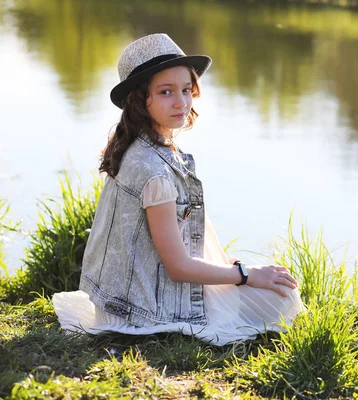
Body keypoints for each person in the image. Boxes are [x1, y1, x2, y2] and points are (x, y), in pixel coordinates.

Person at [52, 33, 304, 345]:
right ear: (140, 100)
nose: (181, 102)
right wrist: (246, 275)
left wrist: (234, 270)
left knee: (276, 283)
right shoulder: (154, 170)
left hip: (130, 296)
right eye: (166, 92)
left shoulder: (141, 146)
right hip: (146, 309)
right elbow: (177, 266)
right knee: (285, 297)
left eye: (186, 90)